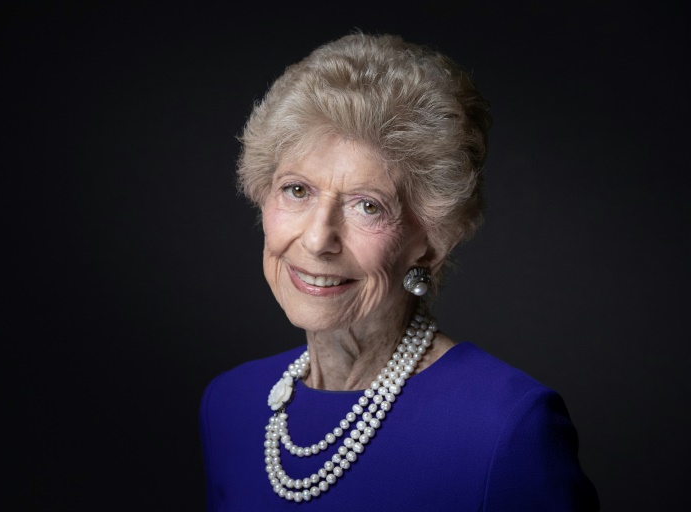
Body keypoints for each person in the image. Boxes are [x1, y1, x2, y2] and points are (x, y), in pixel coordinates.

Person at [199, 31, 599, 511]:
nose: (317, 239)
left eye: (367, 205)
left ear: (430, 242)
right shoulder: (231, 405)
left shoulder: (505, 428)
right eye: (297, 191)